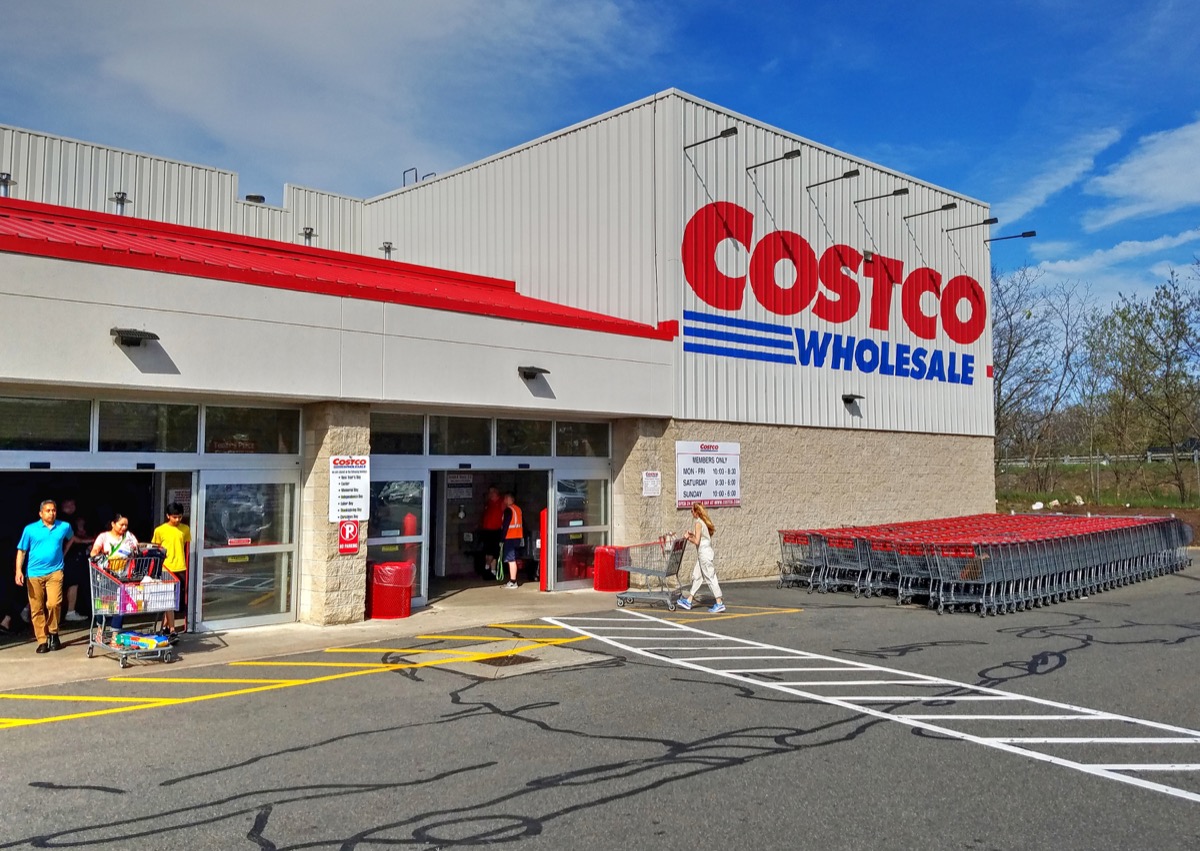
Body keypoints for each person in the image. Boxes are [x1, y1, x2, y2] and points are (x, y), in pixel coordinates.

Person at [14, 499, 74, 653]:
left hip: (55, 571)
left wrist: (63, 553)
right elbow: (22, 551)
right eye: (48, 510)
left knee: (54, 603)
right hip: (34, 573)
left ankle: (53, 633)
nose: (51, 513)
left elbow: (72, 538)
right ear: (41, 513)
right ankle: (42, 639)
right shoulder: (30, 529)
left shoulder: (64, 526)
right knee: (36, 607)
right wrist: (18, 571)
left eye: (53, 510)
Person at [90, 513, 140, 633]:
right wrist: (97, 554)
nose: (124, 528)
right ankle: (100, 627)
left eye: (126, 525)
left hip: (122, 575)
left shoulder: (129, 536)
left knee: (121, 603)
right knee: (102, 602)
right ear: (113, 524)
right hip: (105, 575)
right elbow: (95, 550)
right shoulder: (104, 537)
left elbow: (137, 548)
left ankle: (115, 632)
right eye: (121, 525)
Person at [676, 502, 725, 613]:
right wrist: (691, 534)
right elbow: (700, 537)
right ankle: (689, 601)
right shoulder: (702, 523)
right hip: (703, 554)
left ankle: (719, 602)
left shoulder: (698, 523)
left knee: (710, 577)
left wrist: (688, 537)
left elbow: (697, 541)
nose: (691, 513)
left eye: (691, 511)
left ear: (696, 512)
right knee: (697, 576)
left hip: (704, 554)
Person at [151, 503, 190, 639]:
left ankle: (166, 627)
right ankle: (171, 629)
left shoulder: (185, 529)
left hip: (181, 567)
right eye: (174, 517)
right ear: (168, 516)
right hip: (166, 568)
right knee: (168, 600)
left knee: (175, 601)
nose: (177, 520)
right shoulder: (160, 530)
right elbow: (155, 549)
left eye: (179, 517)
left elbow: (186, 546)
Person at [61, 501, 91, 622]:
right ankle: (70, 611)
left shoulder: (62, 520)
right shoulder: (65, 521)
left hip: (64, 556)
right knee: (70, 583)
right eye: (70, 504)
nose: (73, 506)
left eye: (74, 504)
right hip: (66, 557)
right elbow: (71, 539)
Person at [478, 486, 505, 580]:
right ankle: (488, 567)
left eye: (492, 492)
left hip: (496, 530)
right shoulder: (488, 503)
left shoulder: (502, 502)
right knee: (487, 551)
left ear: (496, 492)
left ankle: (492, 569)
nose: (490, 494)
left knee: (495, 552)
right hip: (486, 530)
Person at [499, 493, 524, 589]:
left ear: (509, 499)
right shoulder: (518, 509)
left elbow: (505, 526)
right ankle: (513, 581)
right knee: (513, 559)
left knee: (511, 559)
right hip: (518, 537)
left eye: (505, 498)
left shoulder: (508, 510)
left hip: (510, 537)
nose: (504, 500)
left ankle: (513, 581)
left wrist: (501, 539)